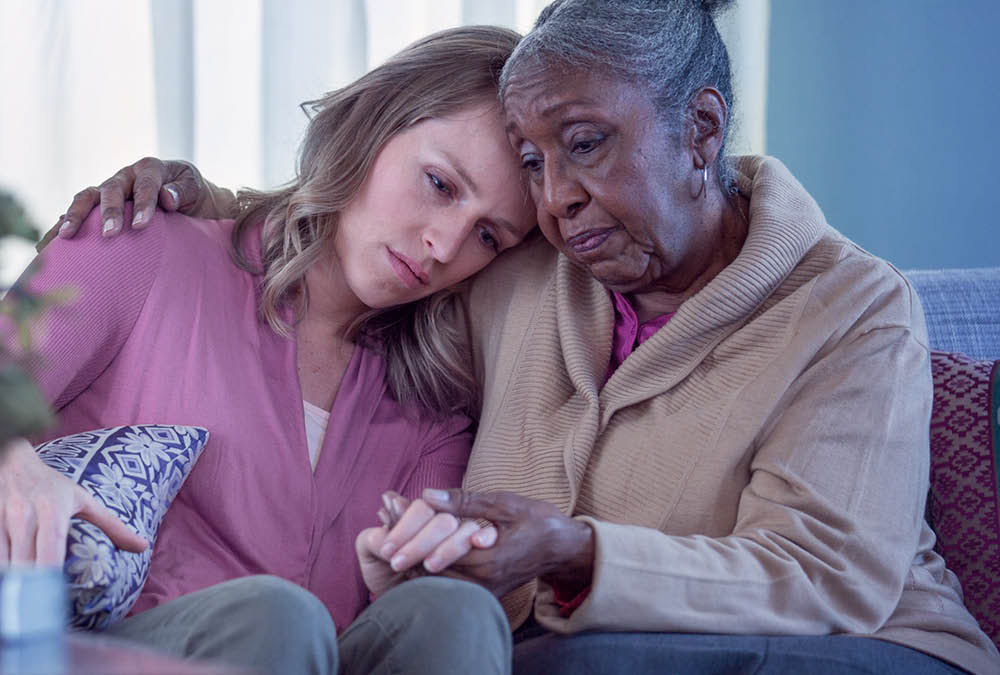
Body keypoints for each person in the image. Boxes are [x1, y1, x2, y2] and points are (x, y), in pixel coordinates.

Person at [71, 1, 1000, 673]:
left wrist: (574, 551)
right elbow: (362, 239)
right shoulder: (520, 268)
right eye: (532, 160)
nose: (554, 198)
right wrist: (191, 199)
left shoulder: (852, 308)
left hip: (866, 647)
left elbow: (826, 574)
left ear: (701, 130)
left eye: (585, 144)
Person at [0, 25, 538, 675]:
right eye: (440, 184)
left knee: (457, 612)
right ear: (373, 124)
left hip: (313, 655)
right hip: (92, 649)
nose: (445, 246)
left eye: (488, 236)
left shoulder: (435, 411)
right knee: (276, 615)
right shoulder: (140, 247)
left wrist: (393, 584)